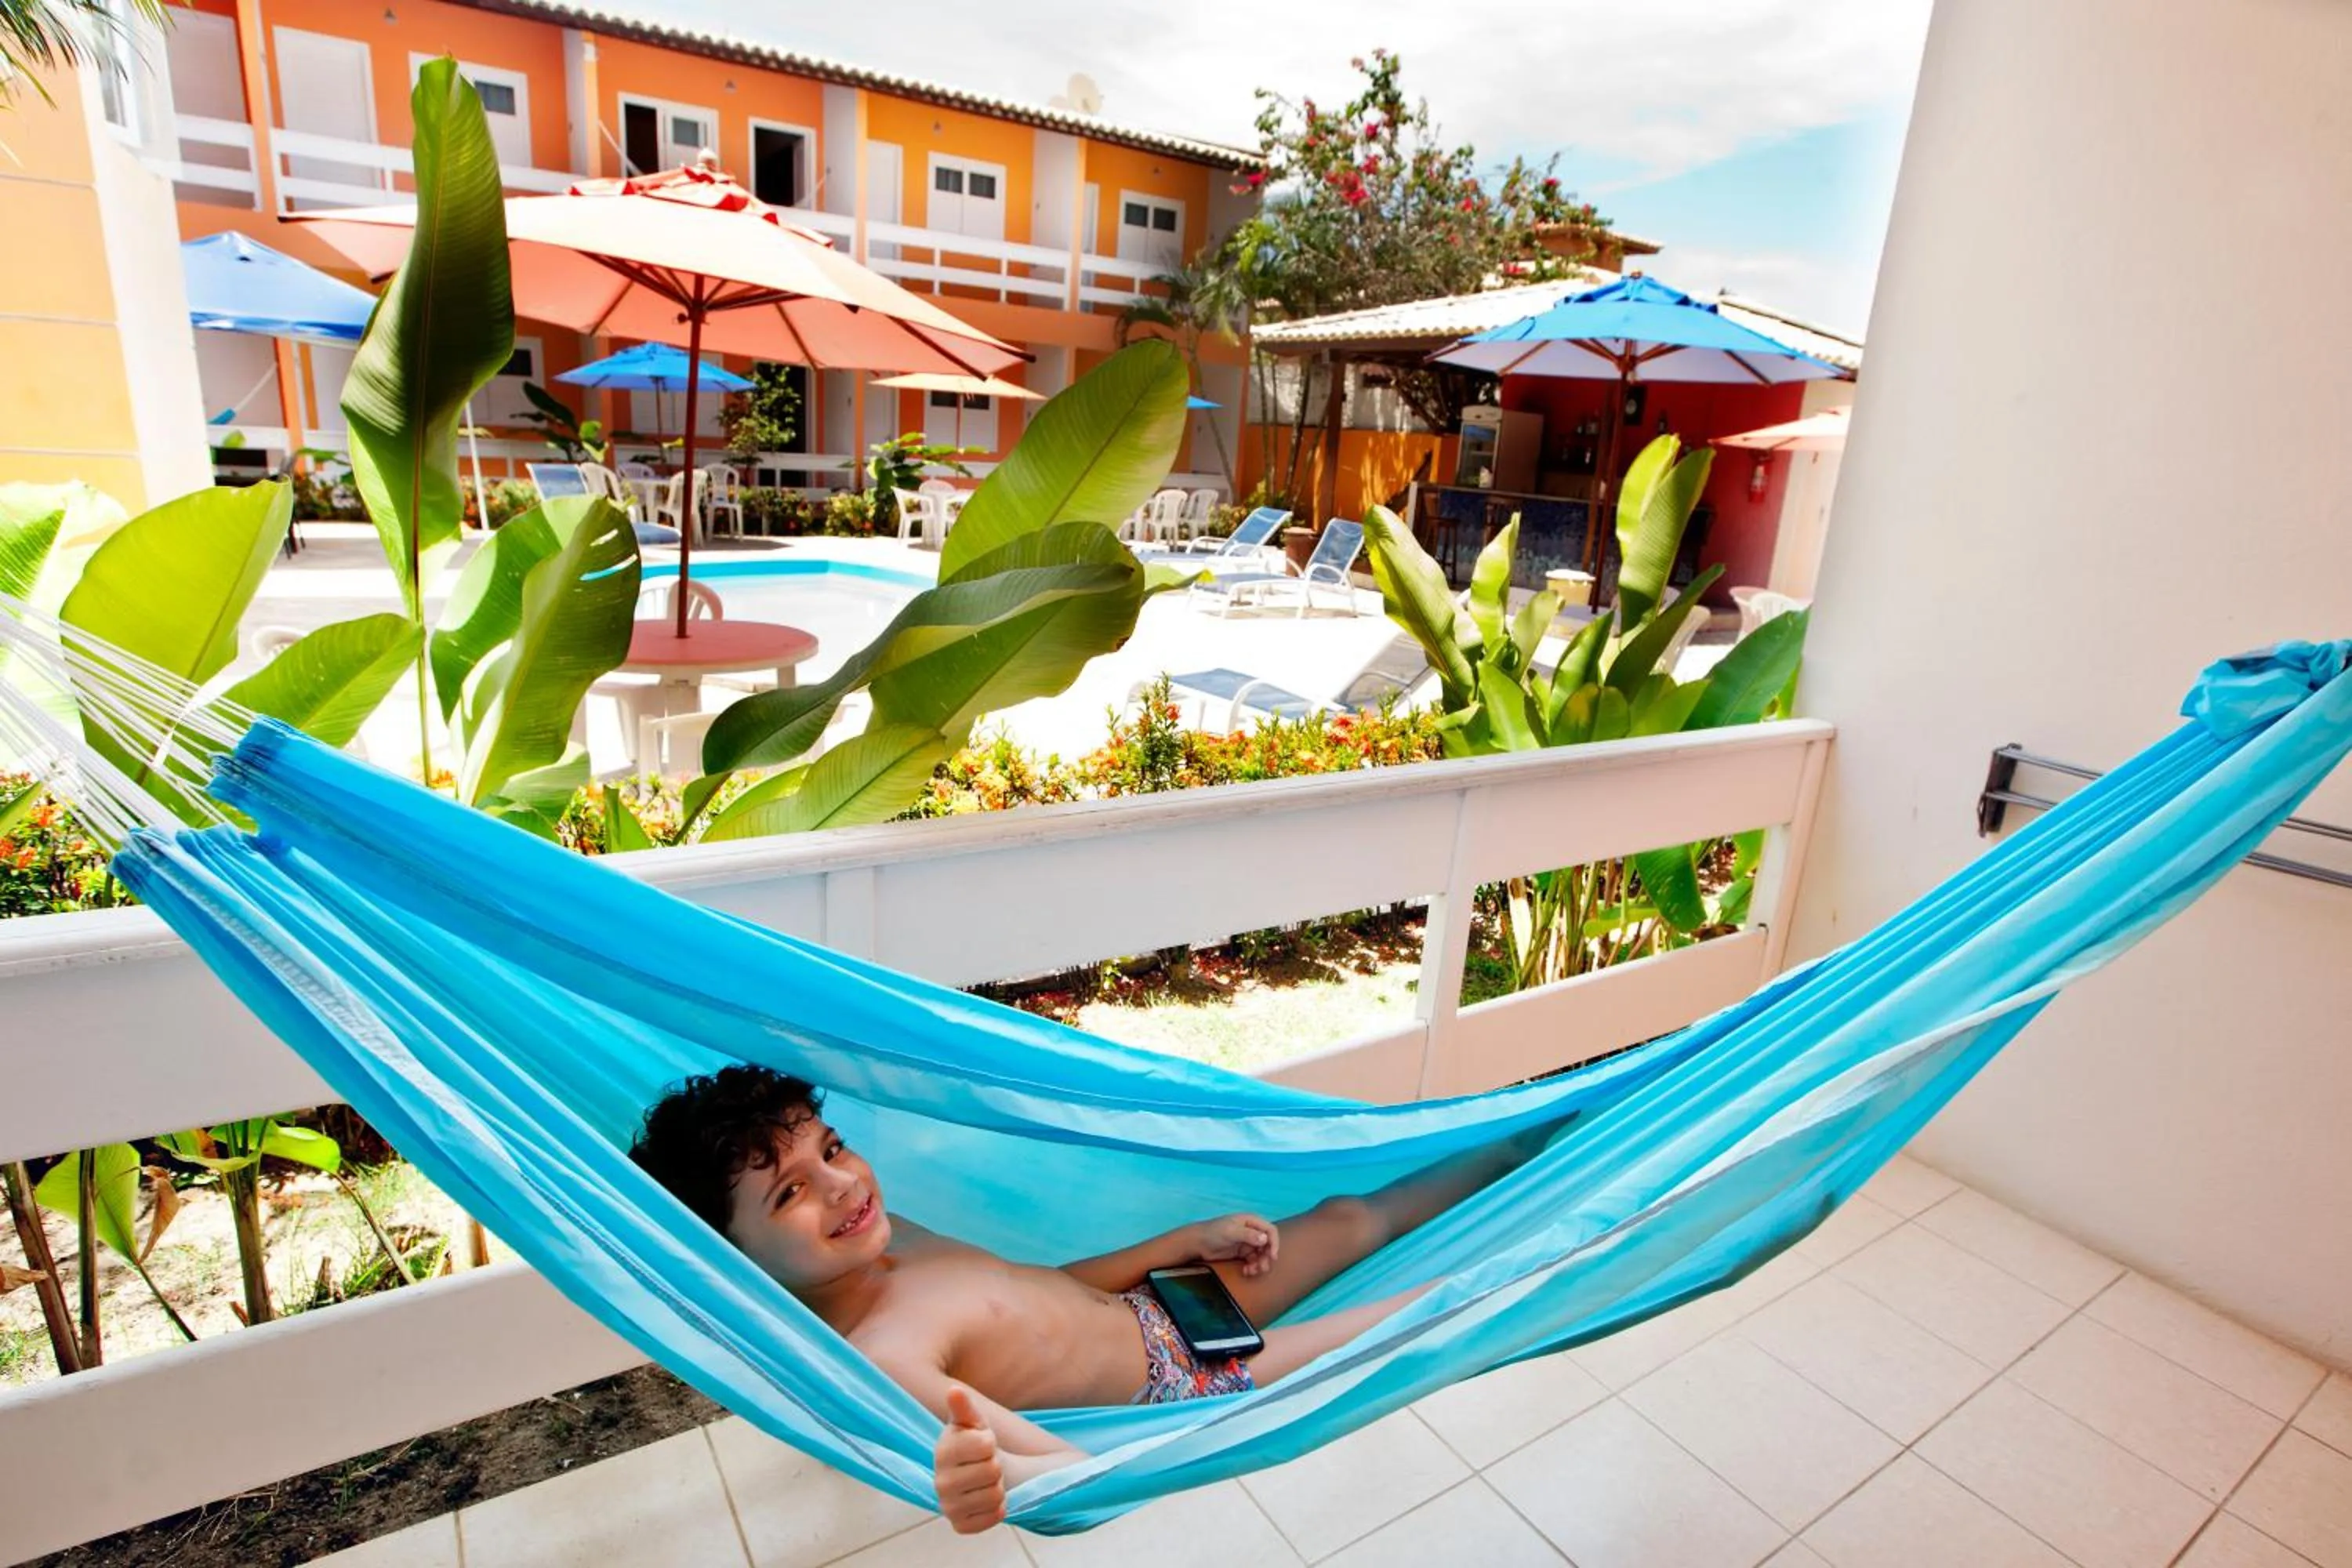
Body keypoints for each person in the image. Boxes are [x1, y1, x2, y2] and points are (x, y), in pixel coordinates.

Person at [630, 1064, 1542, 1534]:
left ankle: (1534, 1134)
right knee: (1415, 1309)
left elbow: (1048, 1291)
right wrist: (983, 1483)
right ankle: (1575, 1240)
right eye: (788, 1192)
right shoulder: (885, 1355)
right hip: (1187, 1380)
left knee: (1349, 1214)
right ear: (732, 1260)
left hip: (1166, 1300)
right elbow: (1060, 1467)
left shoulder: (891, 1236)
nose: (838, 1185)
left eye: (831, 1148)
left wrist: (1181, 1245)